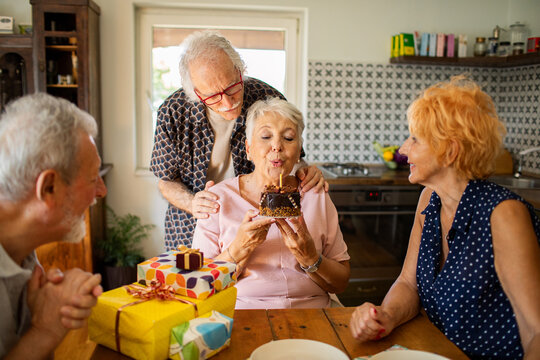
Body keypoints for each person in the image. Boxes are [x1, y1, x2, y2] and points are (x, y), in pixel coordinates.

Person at [349, 76, 540, 359]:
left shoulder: (504, 214)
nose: (403, 149)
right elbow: (408, 283)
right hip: (436, 350)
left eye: (414, 139)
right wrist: (386, 315)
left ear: (450, 151)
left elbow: (535, 330)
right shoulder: (429, 198)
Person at [150, 30, 327, 250]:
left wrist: (307, 172)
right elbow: (165, 181)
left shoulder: (266, 97)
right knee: (197, 281)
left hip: (251, 222)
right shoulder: (173, 111)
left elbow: (291, 157)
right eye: (213, 96)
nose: (227, 102)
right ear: (196, 92)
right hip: (190, 224)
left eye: (232, 87)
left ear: (239, 70)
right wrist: (192, 202)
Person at [192, 97, 350, 309]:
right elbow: (199, 284)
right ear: (248, 149)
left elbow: (341, 283)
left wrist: (312, 258)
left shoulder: (316, 195)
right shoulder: (217, 198)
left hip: (312, 311)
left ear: (298, 151)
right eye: (266, 136)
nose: (277, 146)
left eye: (289, 138)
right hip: (243, 310)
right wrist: (238, 249)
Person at [0, 93, 107, 358]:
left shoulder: (23, 250)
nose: (101, 191)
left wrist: (49, 312)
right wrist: (44, 331)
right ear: (49, 188)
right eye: (94, 179)